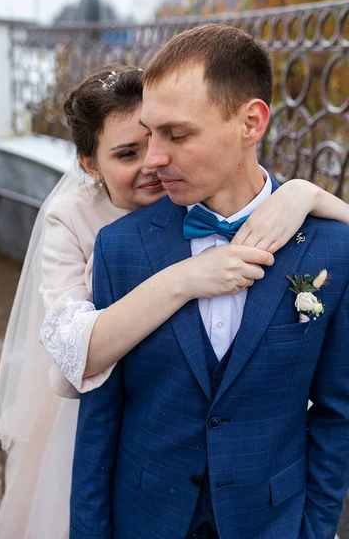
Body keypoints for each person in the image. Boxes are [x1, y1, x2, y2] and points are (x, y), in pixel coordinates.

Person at [70, 27, 349, 539]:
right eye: (150, 133)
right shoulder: (120, 248)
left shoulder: (333, 248)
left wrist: (313, 529)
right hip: (145, 519)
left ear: (250, 122)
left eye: (177, 135)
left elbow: (337, 415)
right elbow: (99, 421)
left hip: (274, 522)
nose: (154, 158)